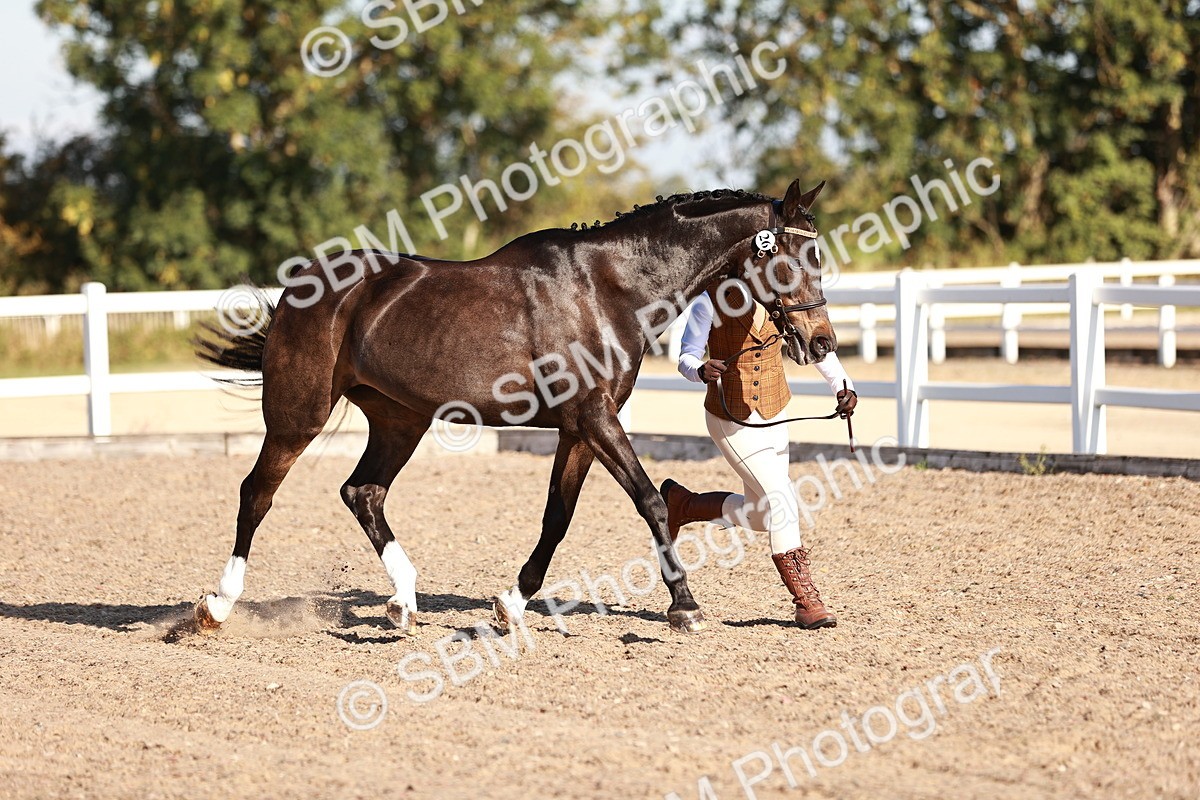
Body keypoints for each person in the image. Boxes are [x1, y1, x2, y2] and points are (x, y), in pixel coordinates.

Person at [660, 281, 857, 629]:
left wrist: (843, 386)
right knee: (782, 499)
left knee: (761, 516)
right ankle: (806, 601)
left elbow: (815, 344)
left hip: (775, 411)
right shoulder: (710, 299)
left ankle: (683, 505)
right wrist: (700, 369)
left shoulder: (781, 296)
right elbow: (686, 355)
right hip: (729, 417)